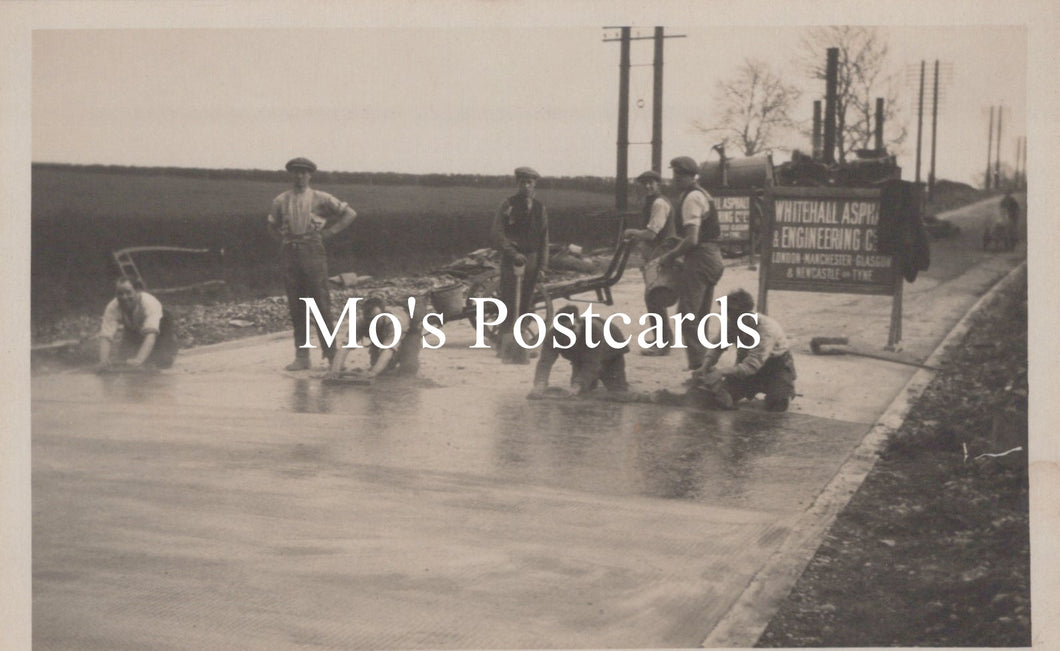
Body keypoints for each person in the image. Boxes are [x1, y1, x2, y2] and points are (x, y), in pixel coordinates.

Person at [268, 157, 358, 371]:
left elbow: (350, 214)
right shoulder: (281, 200)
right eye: (296, 172)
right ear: (291, 174)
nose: (299, 176)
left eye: (304, 172)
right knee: (297, 306)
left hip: (313, 253)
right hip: (290, 253)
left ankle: (331, 356)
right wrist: (283, 240)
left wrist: (330, 232)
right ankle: (302, 357)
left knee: (320, 304)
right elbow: (271, 225)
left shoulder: (321, 198)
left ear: (310, 175)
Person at [655, 156, 725, 370]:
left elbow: (693, 239)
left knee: (687, 315)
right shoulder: (702, 193)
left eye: (679, 175)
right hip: (713, 256)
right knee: (700, 316)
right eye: (674, 174)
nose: (675, 179)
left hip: (701, 259)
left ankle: (698, 368)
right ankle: (704, 365)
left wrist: (669, 256)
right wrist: (679, 242)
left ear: (690, 176)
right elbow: (700, 233)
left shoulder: (692, 198)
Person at [692, 288, 796, 412]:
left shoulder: (766, 329)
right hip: (746, 364)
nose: (728, 316)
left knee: (777, 405)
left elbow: (752, 365)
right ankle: (748, 388)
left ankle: (784, 388)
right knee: (716, 398)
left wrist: (721, 372)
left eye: (731, 313)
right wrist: (705, 366)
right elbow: (717, 347)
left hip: (775, 367)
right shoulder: (731, 322)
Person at [491, 166, 549, 364]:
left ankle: (521, 341)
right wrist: (512, 253)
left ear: (535, 184)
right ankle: (504, 344)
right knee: (508, 301)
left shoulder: (540, 208)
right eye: (522, 182)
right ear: (517, 183)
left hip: (532, 260)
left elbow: (544, 239)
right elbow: (498, 233)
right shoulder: (508, 205)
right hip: (511, 261)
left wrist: (542, 267)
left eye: (530, 182)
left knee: (526, 302)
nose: (526, 185)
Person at [623, 170, 677, 356]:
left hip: (661, 254)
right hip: (656, 254)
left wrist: (632, 232)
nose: (648, 186)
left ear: (658, 184)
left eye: (651, 183)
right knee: (655, 297)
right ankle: (663, 338)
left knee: (654, 297)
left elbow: (652, 233)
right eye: (644, 183)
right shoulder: (652, 202)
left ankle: (662, 344)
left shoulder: (659, 203)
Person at [528, 305, 629, 398]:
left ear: (580, 322)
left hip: (611, 355)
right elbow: (545, 362)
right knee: (580, 394)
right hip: (580, 359)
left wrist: (578, 384)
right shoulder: (553, 335)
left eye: (571, 329)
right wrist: (540, 384)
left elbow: (592, 364)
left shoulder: (594, 331)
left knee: (618, 393)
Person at [326, 294, 424, 381]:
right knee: (383, 371)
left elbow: (388, 351)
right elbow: (344, 348)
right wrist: (334, 371)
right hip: (381, 334)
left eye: (374, 319)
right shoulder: (360, 322)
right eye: (368, 319)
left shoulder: (395, 322)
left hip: (410, 332)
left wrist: (373, 373)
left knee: (408, 368)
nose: (371, 322)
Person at [96, 277, 179, 371]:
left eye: (128, 292)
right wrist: (103, 361)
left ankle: (171, 344)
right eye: (120, 293)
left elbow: (150, 335)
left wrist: (139, 360)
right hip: (133, 327)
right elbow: (106, 335)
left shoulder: (149, 303)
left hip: (161, 325)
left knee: (163, 362)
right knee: (123, 360)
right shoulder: (112, 306)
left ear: (137, 291)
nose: (124, 297)